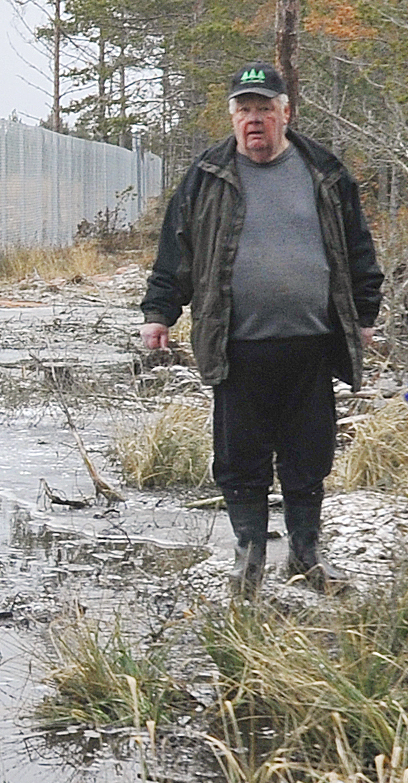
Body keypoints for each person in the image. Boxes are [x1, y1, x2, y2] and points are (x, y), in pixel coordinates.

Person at [137, 62, 384, 596]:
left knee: (309, 454)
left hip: (312, 342)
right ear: (232, 117)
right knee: (239, 457)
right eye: (244, 110)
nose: (255, 121)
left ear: (286, 114)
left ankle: (306, 551)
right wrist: (160, 314)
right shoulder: (207, 175)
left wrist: (364, 316)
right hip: (237, 343)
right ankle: (248, 551)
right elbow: (176, 252)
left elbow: (357, 247)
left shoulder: (324, 171)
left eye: (265, 109)